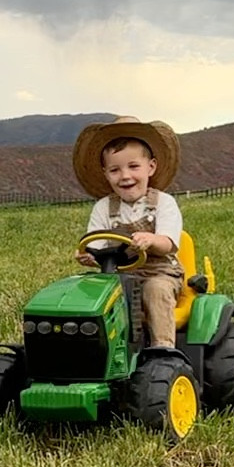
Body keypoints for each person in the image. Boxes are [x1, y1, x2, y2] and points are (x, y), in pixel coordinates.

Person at [71, 116, 184, 348]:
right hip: (115, 274)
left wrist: (152, 240)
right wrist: (88, 257)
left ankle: (163, 349)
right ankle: (92, 348)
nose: (125, 176)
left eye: (133, 166)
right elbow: (96, 244)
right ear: (105, 173)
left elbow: (168, 244)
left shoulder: (164, 203)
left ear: (150, 167)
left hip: (159, 272)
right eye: (115, 169)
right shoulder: (103, 207)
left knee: (155, 291)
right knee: (85, 291)